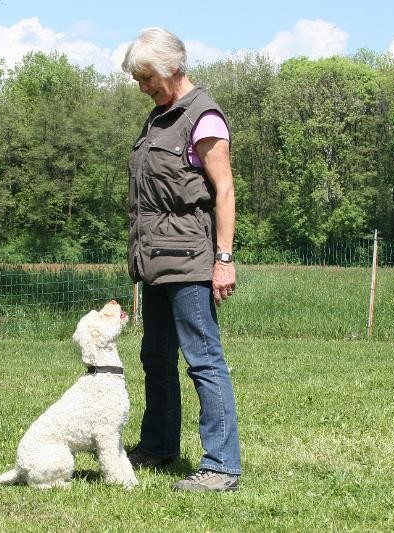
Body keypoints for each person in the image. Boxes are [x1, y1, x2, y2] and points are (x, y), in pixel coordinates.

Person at [121, 27, 241, 492]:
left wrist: (223, 259)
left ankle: (222, 465)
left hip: (190, 260)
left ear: (172, 68)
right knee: (155, 357)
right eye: (138, 79)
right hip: (154, 259)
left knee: (203, 359)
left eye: (147, 77)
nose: (142, 87)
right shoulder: (158, 117)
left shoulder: (203, 117)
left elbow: (224, 191)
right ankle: (158, 446)